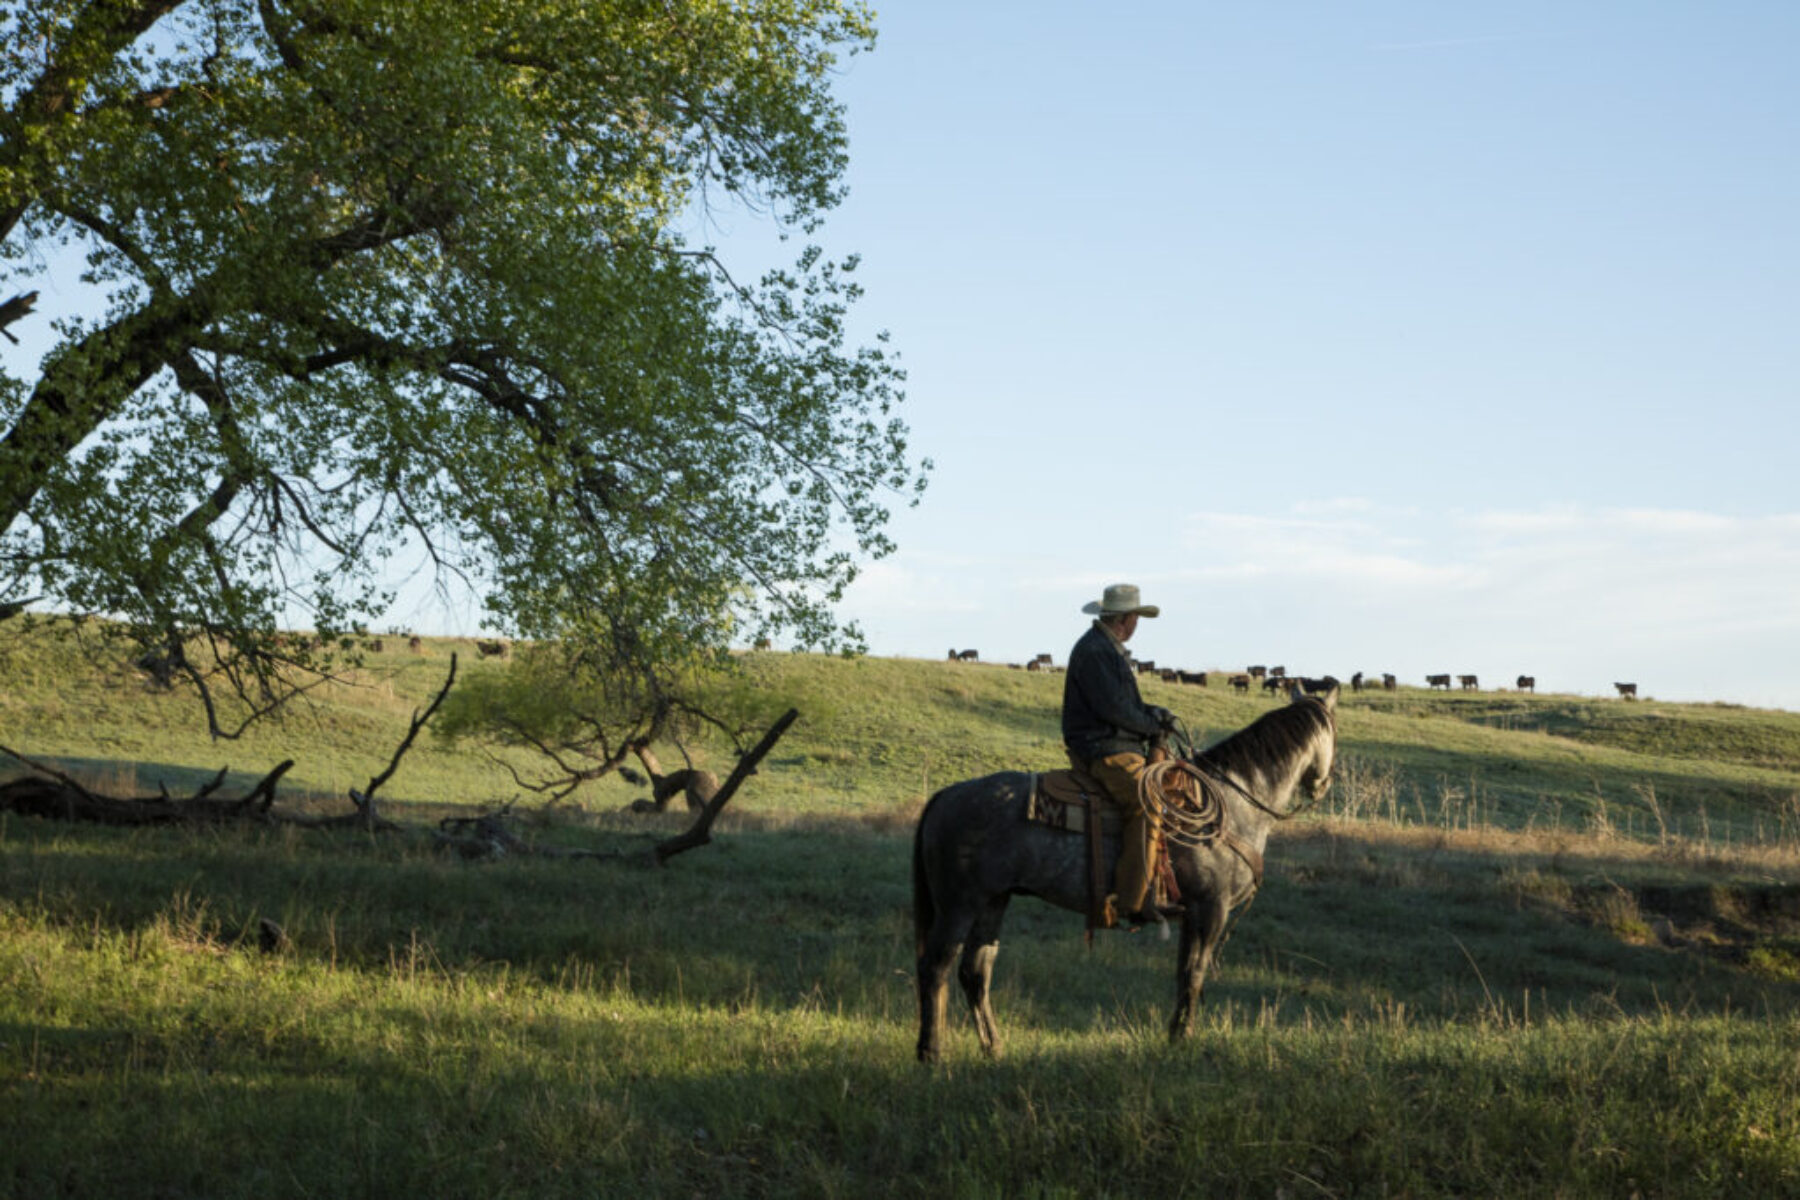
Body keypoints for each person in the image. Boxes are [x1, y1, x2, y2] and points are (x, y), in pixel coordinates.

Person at [1061, 582, 1178, 927]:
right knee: (1148, 801)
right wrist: (1151, 728)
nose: (1137, 625)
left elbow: (1127, 706)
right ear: (1125, 619)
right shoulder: (1097, 652)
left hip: (1113, 744)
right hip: (1104, 751)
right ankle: (1132, 901)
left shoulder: (1105, 648)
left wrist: (1154, 714)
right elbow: (1114, 709)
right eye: (1136, 618)